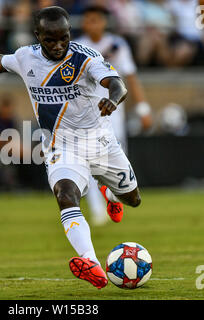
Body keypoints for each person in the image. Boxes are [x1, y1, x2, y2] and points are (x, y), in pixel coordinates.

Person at [0, 6, 141, 290]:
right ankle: (90, 262)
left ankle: (109, 191)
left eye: (63, 38)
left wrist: (113, 99)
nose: (58, 45)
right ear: (37, 36)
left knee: (133, 199)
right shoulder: (25, 56)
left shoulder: (85, 58)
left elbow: (117, 83)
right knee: (65, 194)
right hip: (60, 146)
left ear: (69, 33)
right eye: (50, 40)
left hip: (100, 143)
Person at [76, 6, 152, 225]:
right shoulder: (78, 47)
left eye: (96, 20)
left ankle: (111, 196)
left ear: (104, 22)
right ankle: (97, 210)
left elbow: (130, 77)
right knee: (87, 160)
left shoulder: (116, 45)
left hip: (113, 110)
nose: (92, 24)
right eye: (88, 20)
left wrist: (143, 108)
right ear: (84, 23)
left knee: (117, 159)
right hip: (86, 112)